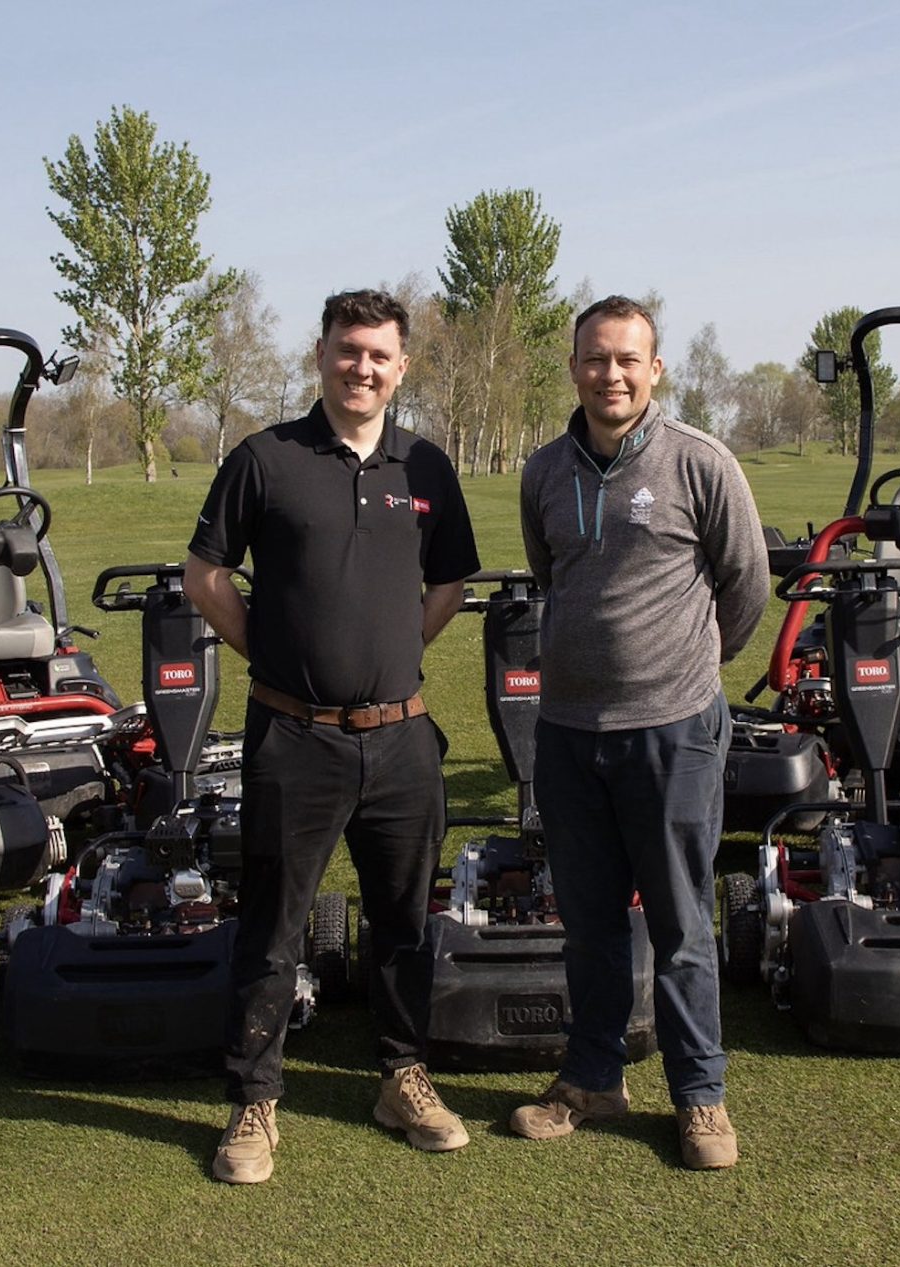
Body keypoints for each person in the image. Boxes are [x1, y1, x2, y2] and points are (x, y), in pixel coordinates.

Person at [184, 288, 479, 1185]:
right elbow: (205, 574)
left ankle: (401, 1076)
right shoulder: (265, 458)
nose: (363, 367)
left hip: (400, 740)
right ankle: (254, 1101)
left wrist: (388, 664)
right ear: (321, 354)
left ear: (402, 366)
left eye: (380, 355)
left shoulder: (425, 465)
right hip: (293, 738)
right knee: (272, 929)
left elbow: (448, 588)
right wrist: (269, 653)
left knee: (402, 925)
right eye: (349, 350)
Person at [507, 294, 767, 1170]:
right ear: (574, 366)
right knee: (586, 920)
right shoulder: (543, 471)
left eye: (628, 359)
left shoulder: (701, 462)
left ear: (655, 370)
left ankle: (701, 1097)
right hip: (569, 734)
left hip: (673, 732)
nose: (610, 374)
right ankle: (592, 1078)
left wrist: (683, 670)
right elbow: (553, 576)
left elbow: (745, 590)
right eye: (595, 358)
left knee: (682, 919)